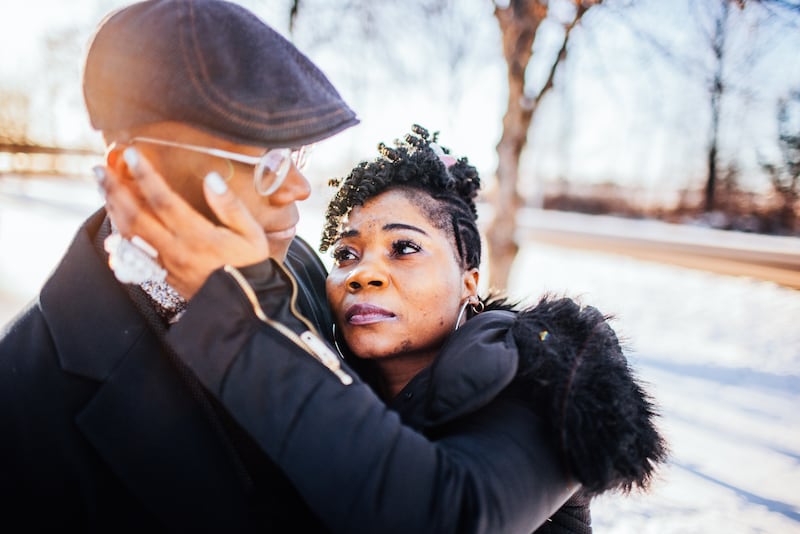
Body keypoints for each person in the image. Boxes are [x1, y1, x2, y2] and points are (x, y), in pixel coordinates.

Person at [99, 124, 668, 533]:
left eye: (404, 248)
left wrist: (248, 323)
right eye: (346, 255)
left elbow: (450, 516)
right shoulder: (329, 363)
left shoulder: (550, 369)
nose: (363, 273)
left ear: (469, 280)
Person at [0, 0, 359, 530]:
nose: (299, 188)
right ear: (137, 170)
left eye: (295, 154)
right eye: (265, 165)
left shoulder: (301, 262)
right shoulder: (20, 399)